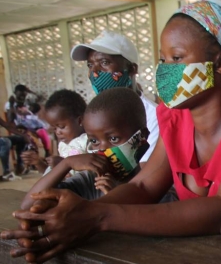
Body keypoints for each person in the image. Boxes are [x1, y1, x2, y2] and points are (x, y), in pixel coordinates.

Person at [1, 0, 221, 263]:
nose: (165, 71)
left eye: (177, 58)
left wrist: (97, 217)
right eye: (162, 59)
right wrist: (73, 215)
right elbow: (143, 188)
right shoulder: (176, 116)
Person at [21, 88, 149, 209]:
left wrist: (115, 198)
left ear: (141, 136)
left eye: (113, 139)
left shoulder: (153, 184)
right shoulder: (90, 180)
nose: (103, 148)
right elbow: (27, 205)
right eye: (94, 141)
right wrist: (67, 163)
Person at [70, 30, 158, 168]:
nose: (95, 72)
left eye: (104, 62)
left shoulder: (154, 116)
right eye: (90, 65)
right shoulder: (94, 113)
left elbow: (146, 171)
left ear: (131, 69)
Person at [21, 90, 88, 176]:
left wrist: (64, 164)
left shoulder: (87, 141)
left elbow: (87, 178)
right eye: (54, 128)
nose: (58, 132)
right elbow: (53, 177)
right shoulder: (63, 145)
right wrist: (38, 162)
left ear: (80, 120)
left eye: (61, 127)